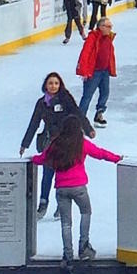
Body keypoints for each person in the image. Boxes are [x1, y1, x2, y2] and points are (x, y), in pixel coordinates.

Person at [30, 117, 121, 265]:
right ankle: (84, 246)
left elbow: (42, 158)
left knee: (66, 223)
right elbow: (100, 153)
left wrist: (31, 159)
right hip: (79, 187)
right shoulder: (81, 143)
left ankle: (68, 255)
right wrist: (117, 158)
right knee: (86, 212)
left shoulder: (56, 144)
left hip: (61, 188)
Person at [21, 72, 86, 216]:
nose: (53, 86)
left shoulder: (65, 99)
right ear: (45, 85)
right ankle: (43, 203)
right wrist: (25, 144)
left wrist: (88, 129)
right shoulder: (41, 103)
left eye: (56, 83)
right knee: (47, 174)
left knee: (62, 174)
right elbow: (34, 123)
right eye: (50, 83)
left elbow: (77, 113)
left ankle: (60, 205)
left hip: (65, 143)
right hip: (49, 143)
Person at [77, 18, 117, 126]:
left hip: (104, 72)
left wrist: (111, 68)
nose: (110, 29)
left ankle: (99, 114)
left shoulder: (108, 38)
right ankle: (80, 120)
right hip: (93, 72)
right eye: (108, 26)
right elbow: (85, 53)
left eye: (111, 26)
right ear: (101, 27)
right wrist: (84, 71)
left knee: (105, 93)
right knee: (87, 96)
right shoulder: (92, 38)